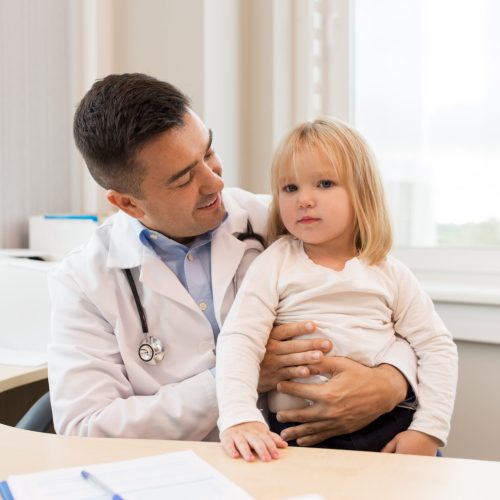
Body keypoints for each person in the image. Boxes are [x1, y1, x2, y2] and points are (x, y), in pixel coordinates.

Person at [48, 73, 417, 442]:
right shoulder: (84, 279)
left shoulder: (284, 221)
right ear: (126, 203)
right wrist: (239, 374)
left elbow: (391, 311)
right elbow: (86, 429)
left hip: (298, 459)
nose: (214, 182)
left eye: (208, 152)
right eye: (182, 179)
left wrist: (391, 381)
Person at [216, 117, 458, 461]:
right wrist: (240, 417)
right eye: (290, 188)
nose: (304, 200)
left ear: (363, 193)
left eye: (325, 183)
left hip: (388, 430)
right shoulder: (274, 263)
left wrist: (427, 430)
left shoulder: (387, 271)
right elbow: (240, 339)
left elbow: (436, 347)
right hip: (294, 439)